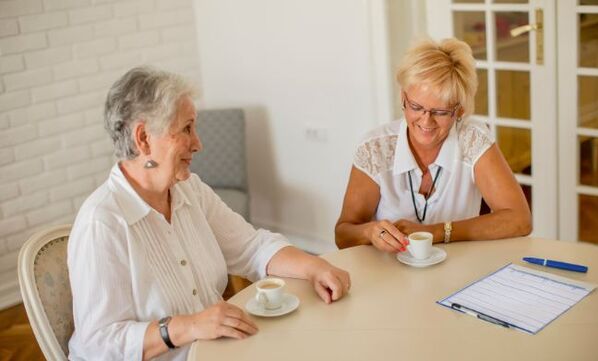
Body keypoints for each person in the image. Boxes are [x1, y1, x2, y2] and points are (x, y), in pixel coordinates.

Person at [68, 66, 351, 361]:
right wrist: (187, 327)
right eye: (186, 129)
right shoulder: (100, 223)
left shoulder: (190, 190)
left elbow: (251, 246)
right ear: (143, 139)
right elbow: (98, 344)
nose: (198, 143)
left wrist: (315, 267)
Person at [335, 38, 532, 253]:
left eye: (440, 112)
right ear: (403, 97)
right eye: (416, 107)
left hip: (459, 269)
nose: (426, 121)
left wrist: (437, 232)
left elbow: (520, 220)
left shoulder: (473, 139)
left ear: (460, 111)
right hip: (388, 272)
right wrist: (369, 232)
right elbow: (343, 234)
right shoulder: (375, 148)